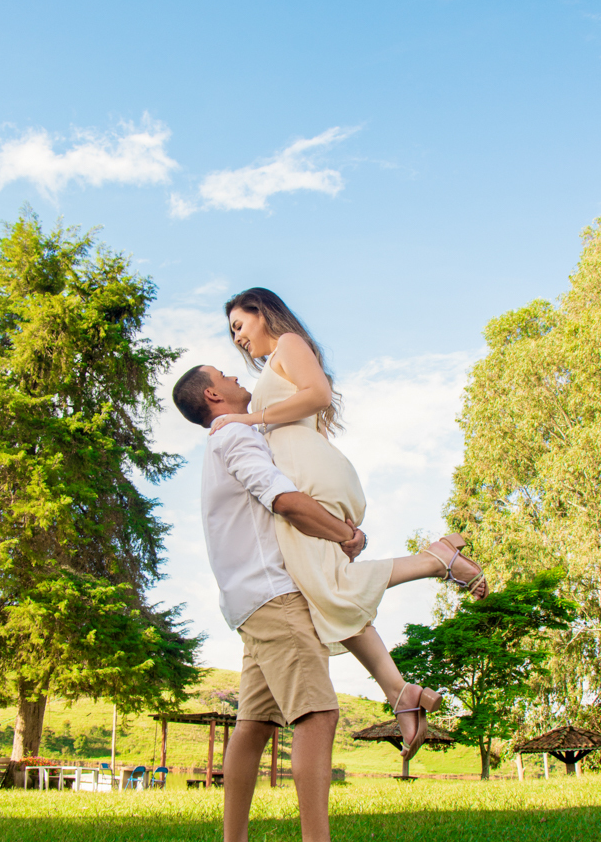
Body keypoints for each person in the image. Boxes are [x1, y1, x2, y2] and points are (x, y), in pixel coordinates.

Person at [210, 287, 489, 761]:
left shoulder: (289, 345)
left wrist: (247, 416)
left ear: (262, 313)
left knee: (324, 584)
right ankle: (399, 689)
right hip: (307, 467)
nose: (237, 338)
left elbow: (316, 395)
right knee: (326, 589)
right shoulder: (279, 361)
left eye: (239, 324)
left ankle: (435, 561)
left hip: (307, 472)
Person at [172, 365, 397, 842]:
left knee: (253, 724)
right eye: (224, 374)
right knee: (317, 712)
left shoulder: (219, 444)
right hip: (274, 596)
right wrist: (345, 534)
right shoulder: (235, 434)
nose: (235, 373)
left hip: (247, 601)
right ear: (213, 393)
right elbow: (284, 500)